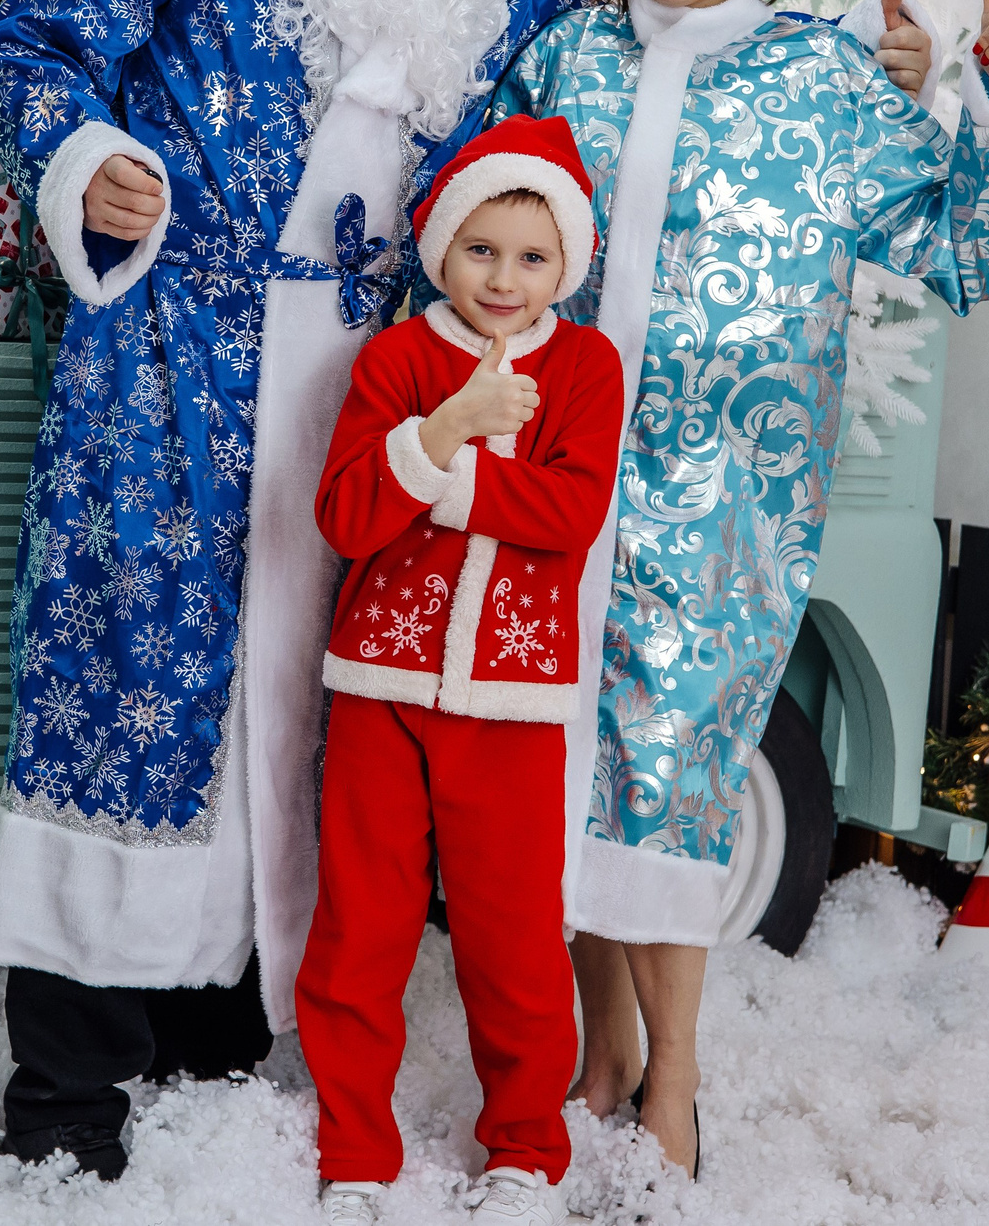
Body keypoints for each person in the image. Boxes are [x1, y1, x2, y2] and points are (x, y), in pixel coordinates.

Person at [0, 0, 604, 1181]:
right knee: (137, 683)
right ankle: (72, 1075)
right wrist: (91, 159)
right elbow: (25, 51)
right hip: (178, 348)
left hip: (404, 377)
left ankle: (230, 1013)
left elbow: (630, 85)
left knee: (339, 709)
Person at [497, 0, 989, 1179]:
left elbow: (969, 246)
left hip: (727, 499)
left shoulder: (817, 79)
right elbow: (483, 220)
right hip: (552, 469)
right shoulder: (564, 57)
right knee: (569, 767)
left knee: (677, 774)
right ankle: (603, 1049)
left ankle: (676, 1081)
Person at [298, 116, 624, 1226]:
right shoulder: (396, 361)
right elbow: (345, 515)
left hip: (515, 703)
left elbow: (570, 515)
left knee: (516, 937)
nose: (504, 278)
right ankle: (353, 1148)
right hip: (380, 692)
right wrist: (443, 430)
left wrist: (442, 472)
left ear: (565, 265)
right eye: (480, 249)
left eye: (533, 257)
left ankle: (525, 1147)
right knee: (359, 928)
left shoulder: (584, 365)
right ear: (441, 247)